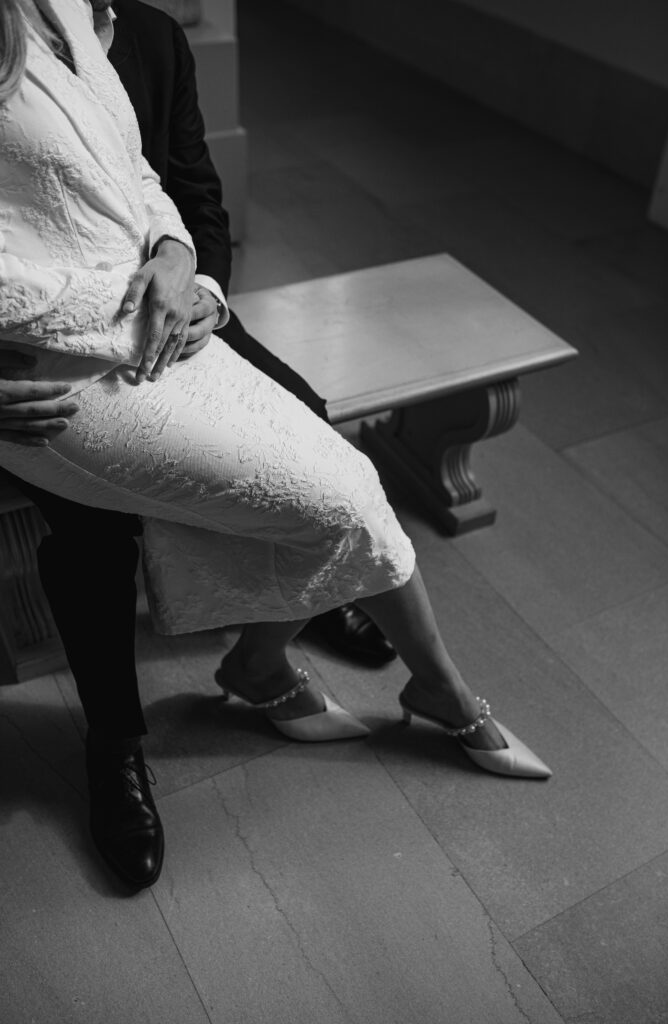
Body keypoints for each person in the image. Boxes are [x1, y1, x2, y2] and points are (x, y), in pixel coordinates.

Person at [0, 0, 551, 891]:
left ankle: (274, 634)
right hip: (48, 379)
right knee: (95, 541)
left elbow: (189, 190)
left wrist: (196, 276)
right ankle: (115, 747)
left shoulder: (145, 35)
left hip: (180, 320)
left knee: (316, 431)